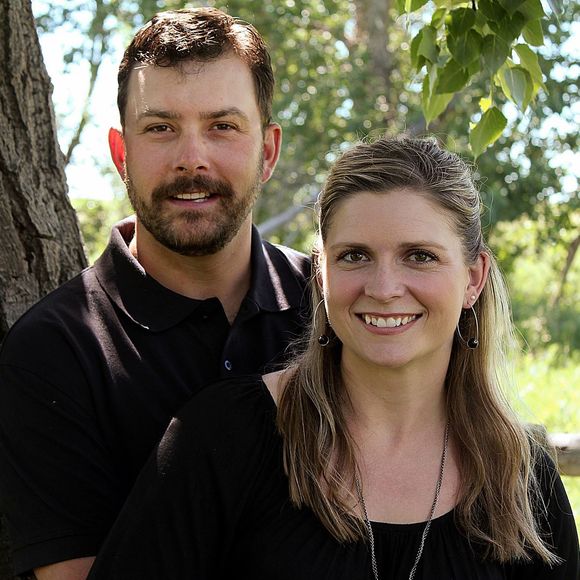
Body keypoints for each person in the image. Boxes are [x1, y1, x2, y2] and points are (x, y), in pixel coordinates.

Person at [87, 136, 579, 580]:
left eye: (420, 256)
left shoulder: (522, 475)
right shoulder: (223, 437)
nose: (383, 288)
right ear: (321, 272)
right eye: (354, 256)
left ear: (473, 278)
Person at [0, 8, 311, 580]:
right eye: (161, 128)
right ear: (122, 155)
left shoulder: (335, 310)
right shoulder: (53, 351)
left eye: (222, 126)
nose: (192, 159)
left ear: (267, 152)